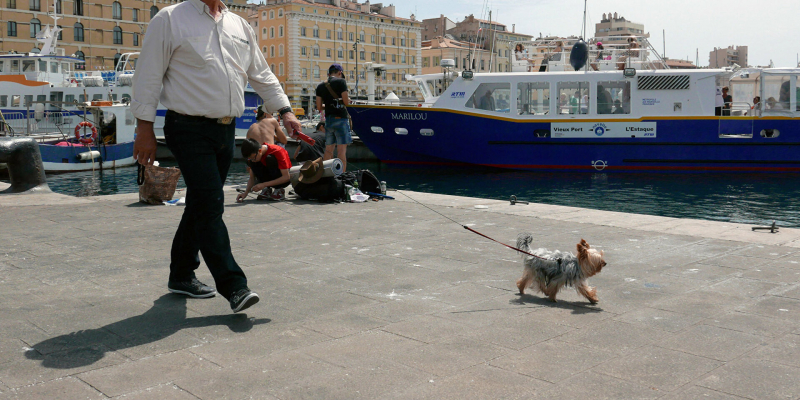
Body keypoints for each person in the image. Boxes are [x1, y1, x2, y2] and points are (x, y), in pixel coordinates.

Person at [131, 0, 302, 313]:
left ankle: (181, 275)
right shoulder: (170, 19)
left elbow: (260, 72)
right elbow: (148, 75)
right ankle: (234, 285)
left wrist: (286, 110)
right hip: (187, 126)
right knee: (211, 202)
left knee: (200, 202)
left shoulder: (238, 25)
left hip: (226, 131)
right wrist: (144, 128)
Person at [315, 63, 352, 172]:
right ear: (340, 73)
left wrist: (330, 105)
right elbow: (346, 102)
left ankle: (326, 174)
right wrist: (348, 101)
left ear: (329, 73)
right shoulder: (341, 82)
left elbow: (319, 107)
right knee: (341, 151)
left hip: (329, 120)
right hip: (341, 119)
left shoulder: (320, 86)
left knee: (329, 150)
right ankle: (342, 176)